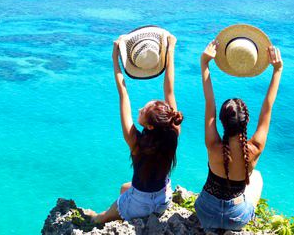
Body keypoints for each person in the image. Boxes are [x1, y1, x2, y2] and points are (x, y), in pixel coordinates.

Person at [92, 34, 182, 223]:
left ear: (149, 125)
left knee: (99, 218)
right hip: (163, 198)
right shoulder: (173, 131)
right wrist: (170, 49)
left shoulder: (135, 141)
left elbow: (123, 92)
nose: (139, 109)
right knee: (125, 187)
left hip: (139, 202)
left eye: (143, 111)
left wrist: (115, 57)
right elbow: (170, 89)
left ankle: (98, 220)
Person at [195, 39, 283, 231]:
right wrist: (277, 70)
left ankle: (212, 228)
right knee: (257, 177)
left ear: (221, 121)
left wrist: (204, 63)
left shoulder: (213, 144)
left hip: (205, 212)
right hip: (237, 217)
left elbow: (209, 102)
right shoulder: (255, 148)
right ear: (247, 121)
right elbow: (267, 108)